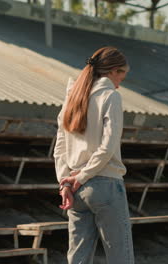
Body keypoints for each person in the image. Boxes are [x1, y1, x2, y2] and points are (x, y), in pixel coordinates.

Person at [53, 46, 134, 264]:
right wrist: (80, 177)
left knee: (78, 257)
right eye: (122, 76)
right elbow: (107, 148)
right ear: (113, 71)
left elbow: (60, 147)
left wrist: (66, 183)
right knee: (120, 256)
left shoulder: (72, 98)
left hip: (75, 189)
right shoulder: (110, 96)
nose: (120, 83)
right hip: (105, 183)